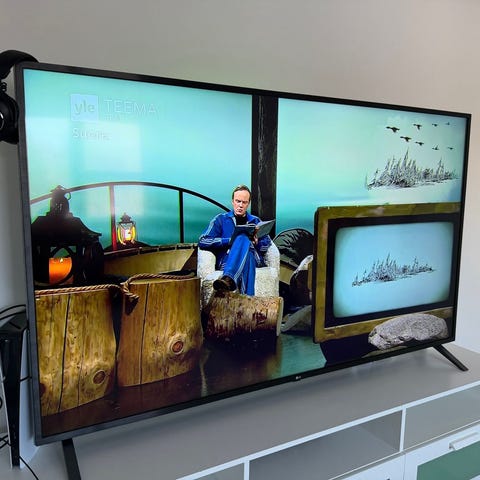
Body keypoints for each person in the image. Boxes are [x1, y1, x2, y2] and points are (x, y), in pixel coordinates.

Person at [198, 184, 272, 295]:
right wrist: (230, 241)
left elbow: (267, 244)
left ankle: (228, 278)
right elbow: (203, 241)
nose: (240, 205)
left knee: (244, 239)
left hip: (255, 259)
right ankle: (249, 299)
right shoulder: (221, 219)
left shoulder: (255, 221)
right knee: (244, 244)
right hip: (228, 260)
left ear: (248, 203)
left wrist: (257, 242)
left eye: (244, 202)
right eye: (238, 201)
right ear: (233, 201)